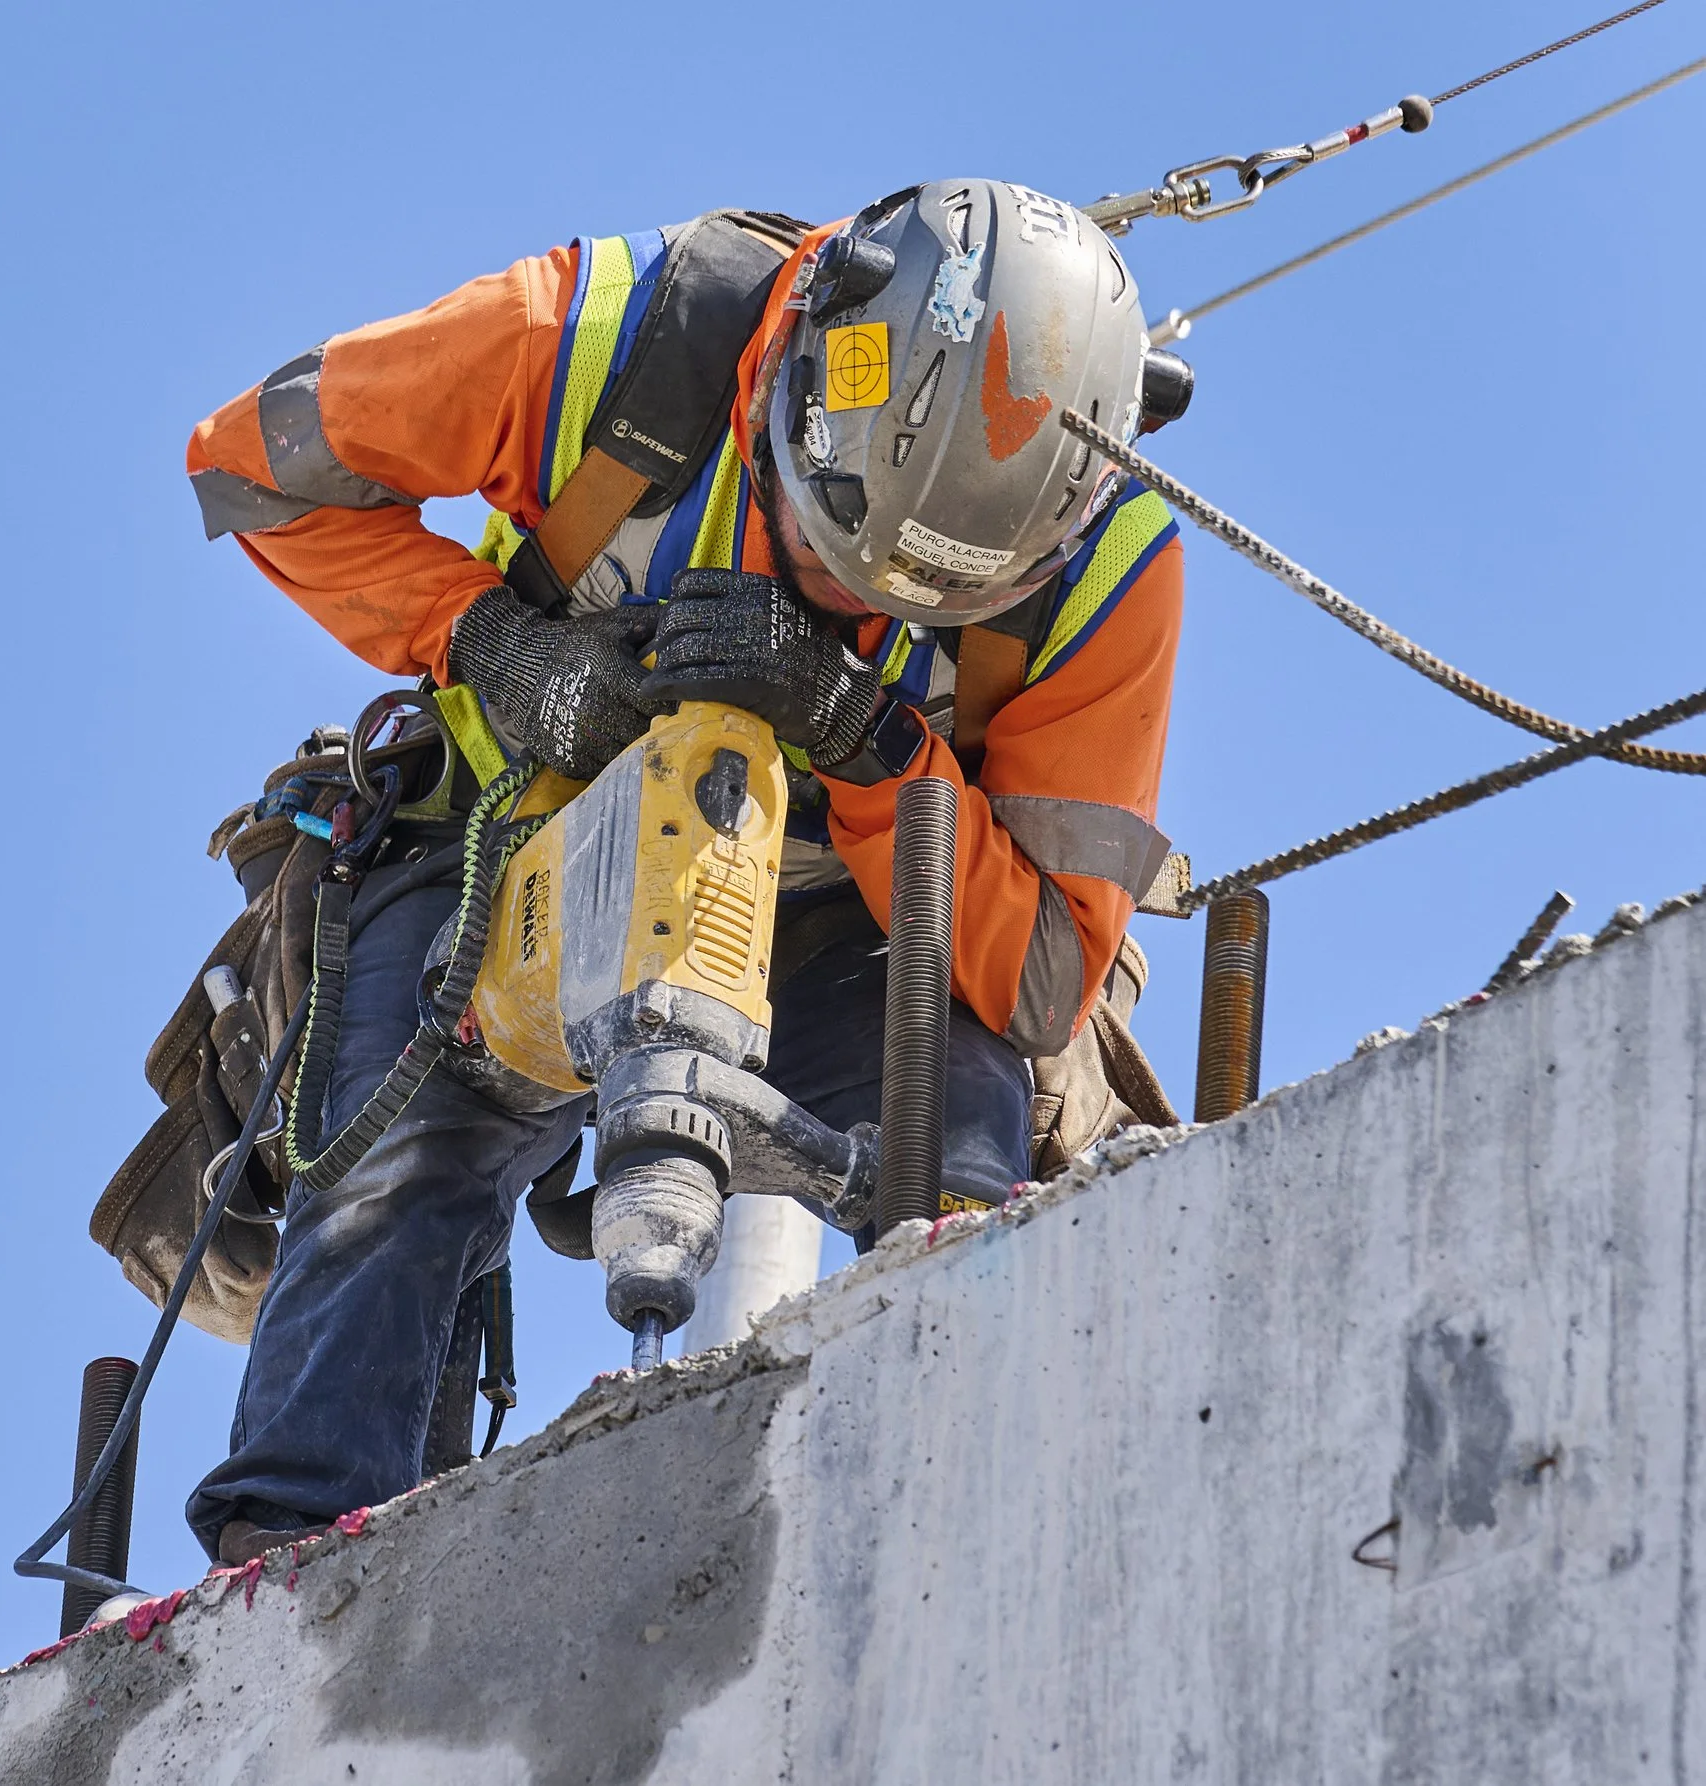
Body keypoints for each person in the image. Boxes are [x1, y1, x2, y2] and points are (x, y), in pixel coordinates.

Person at [180, 181, 1186, 1565]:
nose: (848, 604)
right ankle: (278, 1579)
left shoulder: (1109, 564)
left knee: (958, 1145)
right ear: (797, 372)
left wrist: (865, 738)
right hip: (520, 841)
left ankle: (970, 1504)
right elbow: (246, 463)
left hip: (844, 911)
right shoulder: (606, 340)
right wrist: (494, 647)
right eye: (831, 554)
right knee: (385, 1174)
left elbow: (1051, 973)